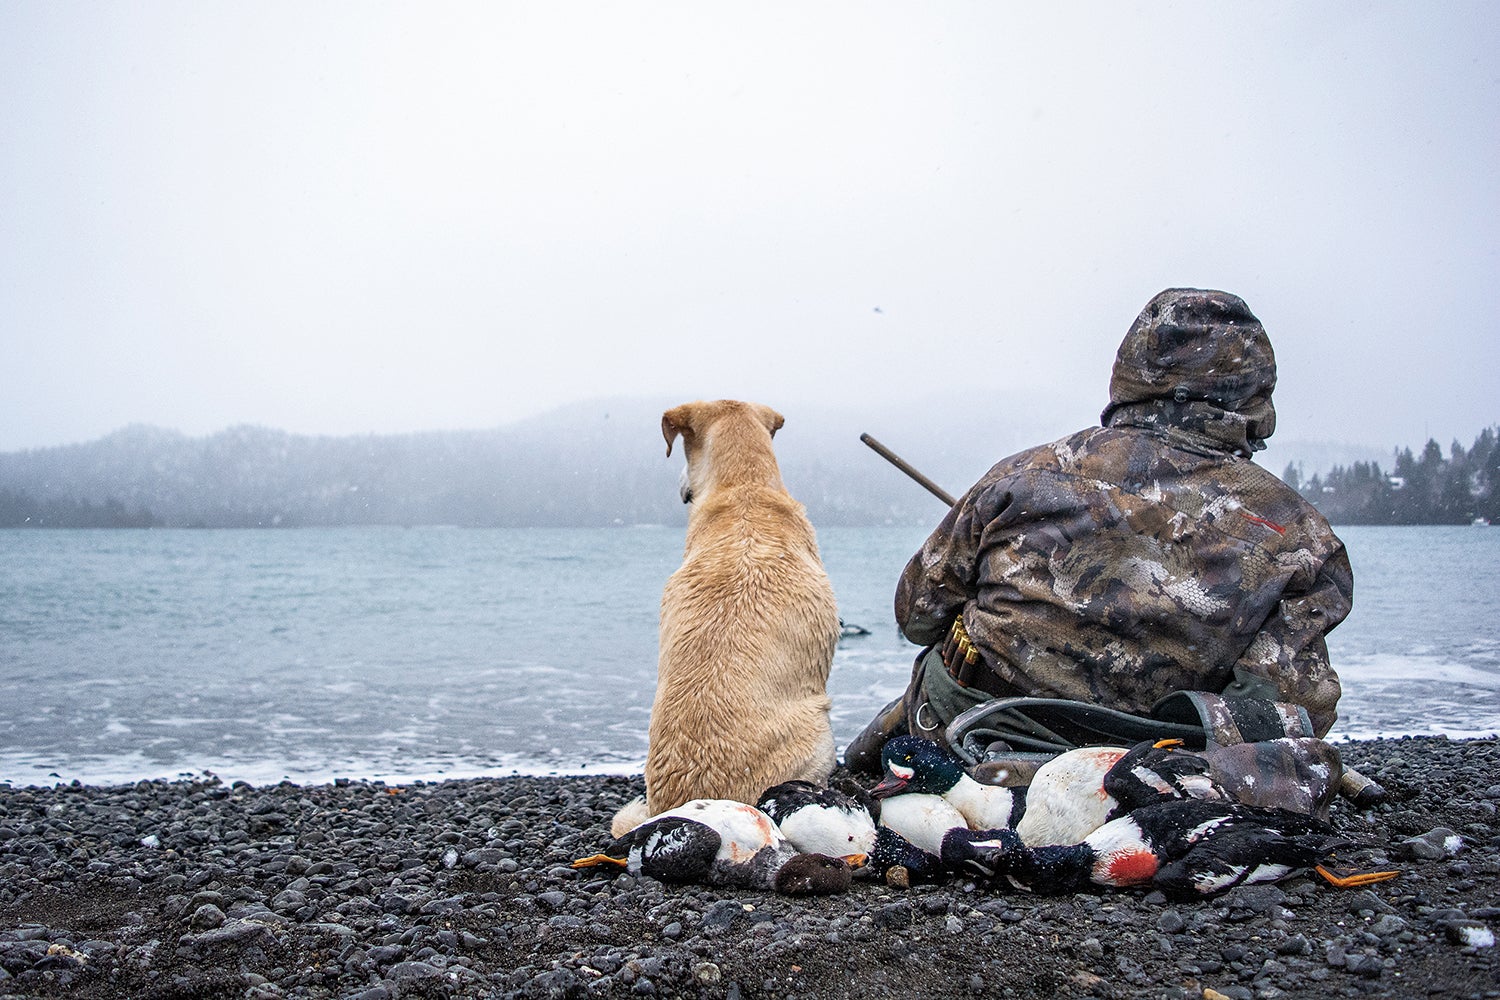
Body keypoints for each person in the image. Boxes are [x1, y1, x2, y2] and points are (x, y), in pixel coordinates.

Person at [846, 288, 1352, 774]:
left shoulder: (1022, 476)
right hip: (1147, 771)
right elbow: (1292, 706)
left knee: (943, 662)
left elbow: (916, 616)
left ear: (1130, 373)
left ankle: (861, 769)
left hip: (969, 739)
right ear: (1253, 393)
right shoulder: (1300, 535)